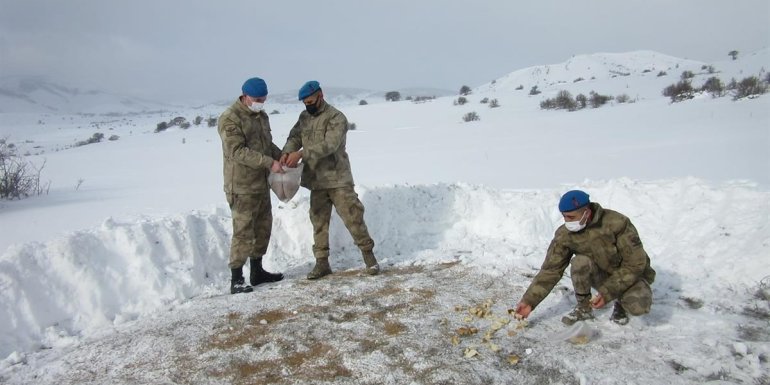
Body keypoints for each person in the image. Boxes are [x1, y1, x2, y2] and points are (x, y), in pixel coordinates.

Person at [280, 80, 380, 279]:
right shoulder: (304, 117)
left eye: (310, 101)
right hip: (316, 180)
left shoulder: (336, 117)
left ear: (321, 95)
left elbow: (330, 145)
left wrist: (300, 154)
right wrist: (287, 152)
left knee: (353, 217)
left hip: (338, 179)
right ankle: (322, 263)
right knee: (318, 222)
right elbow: (294, 136)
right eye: (304, 102)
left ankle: (369, 258)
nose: (308, 105)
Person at [512, 190, 656, 325]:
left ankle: (620, 302)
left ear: (586, 212)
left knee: (639, 306)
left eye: (571, 217)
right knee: (579, 262)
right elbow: (551, 270)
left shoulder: (617, 223)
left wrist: (608, 292)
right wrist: (529, 301)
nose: (567, 221)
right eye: (564, 216)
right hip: (600, 275)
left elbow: (635, 264)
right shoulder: (565, 235)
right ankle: (584, 308)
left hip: (630, 276)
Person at [217, 77, 285, 294]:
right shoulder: (230, 119)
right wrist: (269, 162)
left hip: (261, 184)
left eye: (264, 99)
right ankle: (236, 279)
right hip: (241, 186)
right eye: (257, 99)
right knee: (243, 232)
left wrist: (281, 156)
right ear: (245, 96)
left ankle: (257, 272)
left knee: (263, 228)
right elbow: (236, 152)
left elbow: (266, 145)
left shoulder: (261, 116)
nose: (261, 102)